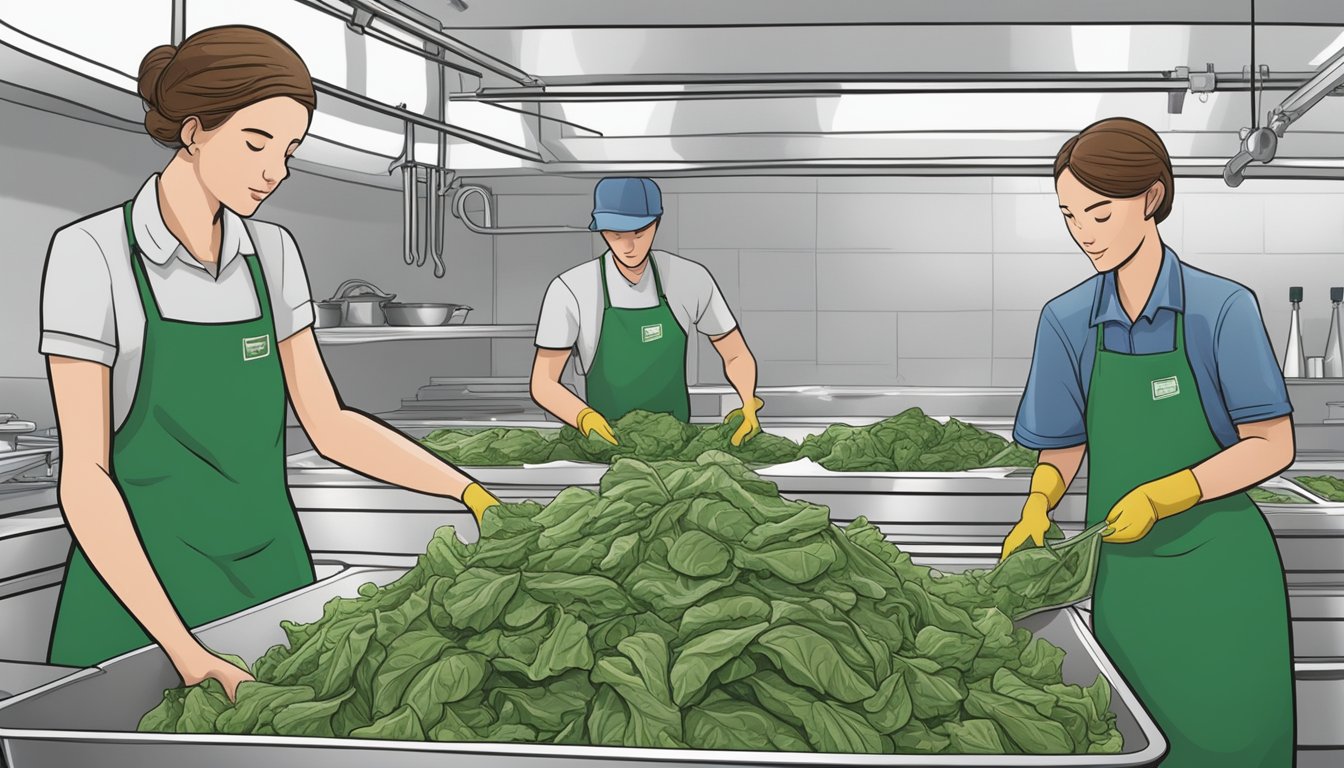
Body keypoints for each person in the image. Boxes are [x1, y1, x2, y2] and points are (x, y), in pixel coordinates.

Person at [39, 26, 501, 700]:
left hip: (268, 587)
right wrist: (184, 649)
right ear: (194, 131)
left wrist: (467, 492)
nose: (274, 171)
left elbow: (331, 423)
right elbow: (85, 476)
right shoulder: (94, 254)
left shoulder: (272, 253)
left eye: (289, 151)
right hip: (142, 605)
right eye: (257, 143)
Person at [1001, 117, 1295, 766]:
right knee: (1135, 742)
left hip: (1225, 578)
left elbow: (1272, 444)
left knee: (1233, 745)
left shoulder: (1223, 311)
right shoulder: (1067, 320)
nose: (1083, 234)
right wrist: (1038, 505)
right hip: (1127, 584)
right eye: (1069, 216)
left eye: (1099, 215)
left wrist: (1170, 492)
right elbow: (1062, 442)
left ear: (1152, 198)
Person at [530, 177, 762, 445]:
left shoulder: (689, 278)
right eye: (616, 234)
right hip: (605, 446)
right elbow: (543, 382)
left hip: (677, 448)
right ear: (602, 230)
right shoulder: (571, 289)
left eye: (639, 233)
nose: (629, 247)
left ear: (656, 223)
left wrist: (747, 401)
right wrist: (583, 417)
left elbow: (735, 353)